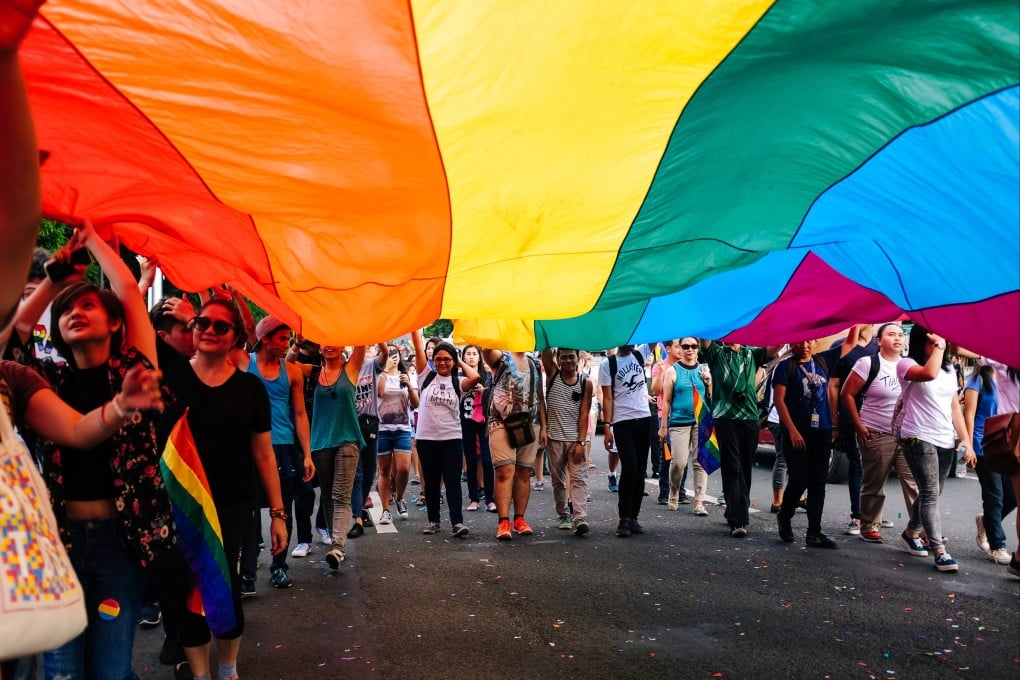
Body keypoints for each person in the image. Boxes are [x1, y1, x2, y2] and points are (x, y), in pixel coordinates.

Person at [20, 224, 178, 679]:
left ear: (114, 323)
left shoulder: (135, 372)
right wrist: (56, 277)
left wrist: (92, 238)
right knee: (62, 672)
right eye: (66, 310)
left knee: (110, 669)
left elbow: (127, 289)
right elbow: (17, 336)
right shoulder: (45, 384)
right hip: (59, 547)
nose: (75, 312)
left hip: (119, 548)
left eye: (89, 304)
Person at [157, 298, 287, 680]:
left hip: (231, 503)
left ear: (235, 338)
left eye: (220, 326)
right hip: (179, 502)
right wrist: (144, 279)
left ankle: (228, 669)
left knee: (222, 583)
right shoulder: (170, 378)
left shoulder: (250, 389)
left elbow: (264, 456)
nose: (209, 331)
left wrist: (277, 515)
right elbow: (131, 318)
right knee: (186, 585)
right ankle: (200, 674)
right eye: (202, 323)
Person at [236, 317, 314, 590]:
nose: (287, 344)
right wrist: (230, 293)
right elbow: (241, 325)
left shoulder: (292, 372)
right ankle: (247, 573)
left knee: (283, 511)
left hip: (282, 446)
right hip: (250, 446)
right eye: (281, 338)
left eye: (287, 339)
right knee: (248, 511)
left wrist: (307, 454)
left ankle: (279, 567)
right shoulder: (245, 362)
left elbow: (300, 414)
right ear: (265, 338)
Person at [896, 325, 973, 572]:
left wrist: (965, 439)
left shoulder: (949, 370)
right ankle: (939, 550)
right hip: (917, 435)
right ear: (922, 341)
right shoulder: (905, 364)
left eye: (940, 339)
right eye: (932, 339)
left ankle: (911, 532)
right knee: (930, 491)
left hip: (944, 438)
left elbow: (953, 408)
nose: (938, 343)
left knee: (934, 491)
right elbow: (928, 374)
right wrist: (940, 345)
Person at [840, 323, 918, 543]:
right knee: (874, 483)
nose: (897, 338)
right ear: (879, 341)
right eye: (891, 334)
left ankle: (919, 527)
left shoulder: (909, 365)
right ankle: (869, 524)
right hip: (875, 431)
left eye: (901, 335)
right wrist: (859, 426)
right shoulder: (868, 363)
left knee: (914, 483)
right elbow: (847, 394)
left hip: (905, 434)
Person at [699, 340, 779, 537]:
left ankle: (734, 508)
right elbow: (704, 338)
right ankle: (738, 520)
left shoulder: (751, 352)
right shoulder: (717, 353)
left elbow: (774, 347)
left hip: (750, 418)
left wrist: (782, 323)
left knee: (744, 467)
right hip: (725, 418)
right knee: (732, 466)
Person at [773, 339, 844, 549]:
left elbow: (851, 343)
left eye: (809, 340)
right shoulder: (785, 367)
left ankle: (814, 531)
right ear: (791, 343)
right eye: (799, 341)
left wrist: (855, 319)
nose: (804, 345)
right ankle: (785, 516)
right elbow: (779, 400)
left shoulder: (823, 360)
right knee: (799, 480)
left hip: (821, 432)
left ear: (815, 342)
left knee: (818, 484)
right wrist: (792, 431)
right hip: (798, 433)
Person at [413, 331, 480, 536]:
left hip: (451, 438)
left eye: (447, 359)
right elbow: (417, 346)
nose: (442, 363)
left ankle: (457, 523)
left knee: (452, 480)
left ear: (453, 361)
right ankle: (434, 521)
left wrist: (458, 361)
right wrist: (415, 328)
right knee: (432, 481)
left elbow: (475, 377)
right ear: (433, 360)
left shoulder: (458, 382)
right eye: (439, 359)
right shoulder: (426, 375)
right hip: (426, 438)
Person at [484, 345, 546, 540]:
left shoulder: (534, 362)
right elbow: (486, 349)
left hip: (529, 423)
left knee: (523, 472)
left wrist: (544, 426)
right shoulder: (500, 358)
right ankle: (504, 521)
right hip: (501, 422)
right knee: (504, 471)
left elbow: (540, 397)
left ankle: (519, 519)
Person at [827, 324, 878, 536]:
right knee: (856, 463)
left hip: (878, 416)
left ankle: (874, 515)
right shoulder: (842, 346)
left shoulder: (880, 344)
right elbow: (833, 386)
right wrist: (834, 420)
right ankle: (857, 515)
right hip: (850, 415)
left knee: (877, 466)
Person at [964, 365, 1015, 565]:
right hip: (982, 444)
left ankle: (986, 522)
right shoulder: (977, 379)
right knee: (995, 495)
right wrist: (968, 444)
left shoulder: (1010, 378)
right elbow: (969, 413)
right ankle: (997, 545)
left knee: (1012, 496)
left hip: (1005, 446)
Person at [599, 345, 652, 537]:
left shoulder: (641, 353)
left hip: (644, 418)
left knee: (639, 471)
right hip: (622, 421)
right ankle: (624, 517)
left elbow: (655, 334)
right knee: (630, 466)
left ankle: (634, 517)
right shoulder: (608, 364)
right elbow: (607, 398)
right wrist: (607, 426)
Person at [540, 347, 594, 535]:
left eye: (571, 357)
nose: (568, 361)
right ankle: (563, 514)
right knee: (558, 480)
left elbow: (584, 413)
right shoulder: (553, 374)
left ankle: (580, 517)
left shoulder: (585, 382)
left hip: (574, 440)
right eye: (563, 357)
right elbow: (545, 351)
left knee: (578, 479)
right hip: (554, 437)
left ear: (578, 358)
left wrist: (580, 442)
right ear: (558, 358)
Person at [658, 337, 712, 515]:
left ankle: (699, 502)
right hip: (678, 422)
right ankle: (674, 490)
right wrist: (663, 426)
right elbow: (666, 401)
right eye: (686, 346)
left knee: (700, 463)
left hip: (701, 421)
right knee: (678, 462)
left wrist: (709, 382)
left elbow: (711, 397)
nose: (690, 349)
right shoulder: (673, 371)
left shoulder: (704, 370)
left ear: (698, 349)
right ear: (680, 349)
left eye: (694, 346)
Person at [348, 343, 389, 538]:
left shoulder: (371, 366)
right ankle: (357, 517)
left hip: (370, 423)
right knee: (357, 473)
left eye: (370, 347)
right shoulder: (345, 366)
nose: (366, 349)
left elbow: (386, 353)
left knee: (370, 471)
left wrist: (377, 335)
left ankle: (360, 505)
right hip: (350, 425)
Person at [376, 345, 418, 523]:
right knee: (384, 470)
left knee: (403, 468)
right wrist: (385, 370)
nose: (393, 356)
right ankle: (386, 509)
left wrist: (409, 385)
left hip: (402, 428)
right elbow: (379, 392)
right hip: (382, 429)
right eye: (389, 353)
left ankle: (400, 498)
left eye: (395, 353)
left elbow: (416, 403)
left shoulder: (405, 376)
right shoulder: (378, 375)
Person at [461, 344, 495, 512]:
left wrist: (484, 392)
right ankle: (474, 498)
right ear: (464, 357)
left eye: (475, 354)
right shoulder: (460, 377)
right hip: (466, 422)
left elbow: (494, 400)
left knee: (488, 461)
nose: (472, 357)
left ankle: (490, 499)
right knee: (471, 462)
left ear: (480, 357)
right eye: (468, 354)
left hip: (484, 423)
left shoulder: (487, 376)